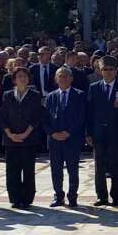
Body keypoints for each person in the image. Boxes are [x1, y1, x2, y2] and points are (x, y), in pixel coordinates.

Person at [0, 66, 45, 208]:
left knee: (28, 170)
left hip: (29, 139)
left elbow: (37, 117)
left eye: (24, 76)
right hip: (10, 139)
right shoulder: (7, 95)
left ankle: (27, 199)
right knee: (12, 170)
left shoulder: (35, 95)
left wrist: (25, 133)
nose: (22, 78)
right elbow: (2, 117)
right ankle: (15, 198)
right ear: (14, 80)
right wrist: (9, 134)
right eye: (19, 76)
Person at [86, 57, 118, 206]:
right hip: (98, 132)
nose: (108, 72)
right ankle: (101, 196)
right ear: (100, 71)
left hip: (116, 132)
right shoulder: (94, 87)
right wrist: (88, 133)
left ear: (116, 71)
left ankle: (117, 195)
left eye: (111, 69)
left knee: (117, 164)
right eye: (104, 70)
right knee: (99, 165)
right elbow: (89, 112)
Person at [45, 66, 86, 207]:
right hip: (54, 140)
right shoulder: (50, 96)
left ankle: (72, 196)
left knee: (72, 169)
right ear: (56, 79)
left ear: (71, 78)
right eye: (60, 76)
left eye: (66, 76)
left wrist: (68, 132)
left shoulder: (80, 95)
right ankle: (58, 195)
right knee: (56, 169)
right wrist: (53, 133)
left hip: (72, 139)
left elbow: (81, 117)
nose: (63, 78)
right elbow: (45, 119)